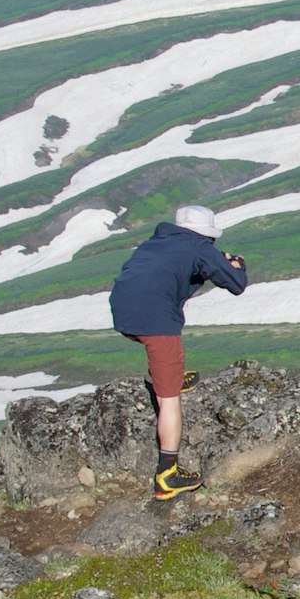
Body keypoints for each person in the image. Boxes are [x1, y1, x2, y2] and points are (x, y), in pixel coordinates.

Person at [107, 204, 248, 500]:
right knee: (169, 400)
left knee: (163, 358)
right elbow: (236, 284)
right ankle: (167, 475)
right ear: (204, 234)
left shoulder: (155, 243)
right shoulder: (199, 247)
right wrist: (236, 266)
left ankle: (165, 376)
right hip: (155, 321)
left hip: (123, 314)